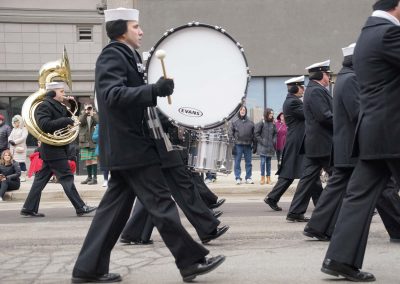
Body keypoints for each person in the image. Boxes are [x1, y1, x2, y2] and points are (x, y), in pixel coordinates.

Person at [72, 8, 225, 283]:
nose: (141, 31)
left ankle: (88, 269)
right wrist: (153, 90)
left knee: (112, 212)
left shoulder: (127, 55)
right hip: (131, 147)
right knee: (161, 204)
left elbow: (129, 96)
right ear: (121, 29)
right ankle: (190, 261)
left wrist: (155, 90)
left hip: (130, 147)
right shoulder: (112, 55)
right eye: (135, 26)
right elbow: (112, 95)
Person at [322, 1, 400, 281]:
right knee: (358, 197)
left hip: (374, 133)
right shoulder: (388, 33)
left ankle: (340, 259)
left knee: (358, 198)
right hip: (392, 132)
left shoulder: (368, 33)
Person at [304, 43, 400, 243]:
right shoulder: (351, 79)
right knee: (385, 187)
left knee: (339, 187)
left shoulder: (346, 78)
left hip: (347, 146)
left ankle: (318, 226)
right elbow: (358, 113)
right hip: (355, 146)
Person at [20, 82, 97, 217]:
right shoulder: (44, 105)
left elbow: (73, 118)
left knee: (40, 180)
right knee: (67, 177)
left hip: (55, 149)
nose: (64, 94)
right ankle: (80, 207)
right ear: (53, 93)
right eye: (61, 91)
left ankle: (28, 208)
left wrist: (74, 104)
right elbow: (45, 125)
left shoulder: (58, 105)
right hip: (53, 150)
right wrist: (65, 121)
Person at [286, 60, 333, 222]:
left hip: (315, 143)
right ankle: (348, 206)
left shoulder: (313, 90)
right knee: (341, 176)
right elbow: (324, 116)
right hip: (322, 143)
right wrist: (342, 123)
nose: (329, 78)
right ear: (321, 75)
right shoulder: (316, 91)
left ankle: (295, 211)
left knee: (308, 179)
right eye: (327, 74)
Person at [264, 76, 306, 211]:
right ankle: (323, 204)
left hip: (297, 141)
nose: (303, 89)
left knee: (294, 172)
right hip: (297, 142)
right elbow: (309, 113)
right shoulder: (293, 102)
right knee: (304, 173)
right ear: (295, 88)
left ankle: (272, 197)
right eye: (301, 87)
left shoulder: (293, 101)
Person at [230, 105, 255, 185]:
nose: (242, 111)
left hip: (248, 145)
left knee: (249, 162)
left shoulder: (250, 122)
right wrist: (233, 142)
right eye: (241, 110)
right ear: (239, 111)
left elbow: (254, 134)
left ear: (246, 111)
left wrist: (254, 144)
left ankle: (248, 177)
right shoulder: (234, 121)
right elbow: (230, 133)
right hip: (238, 145)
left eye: (244, 110)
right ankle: (238, 177)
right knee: (237, 162)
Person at [254, 108, 276, 185]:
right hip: (262, 146)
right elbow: (256, 133)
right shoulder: (262, 122)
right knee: (263, 162)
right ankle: (262, 178)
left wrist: (274, 140)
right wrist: (262, 141)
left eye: (273, 114)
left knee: (269, 163)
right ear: (267, 113)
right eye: (271, 113)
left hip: (270, 146)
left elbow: (275, 134)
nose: (272, 115)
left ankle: (268, 178)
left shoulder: (273, 123)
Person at [79, 104, 98, 185]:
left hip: (93, 141)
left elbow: (98, 122)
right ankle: (89, 177)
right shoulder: (81, 115)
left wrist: (92, 114)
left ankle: (95, 178)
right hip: (85, 141)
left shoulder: (95, 115)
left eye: (90, 107)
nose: (89, 109)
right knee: (87, 160)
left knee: (94, 159)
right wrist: (85, 113)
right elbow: (81, 123)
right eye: (87, 107)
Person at [8, 115, 28, 182]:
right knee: (15, 163)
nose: (16, 123)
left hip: (20, 149)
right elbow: (10, 136)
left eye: (17, 122)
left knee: (21, 162)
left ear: (20, 121)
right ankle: (16, 176)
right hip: (13, 149)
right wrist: (10, 140)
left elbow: (23, 137)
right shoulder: (14, 129)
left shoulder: (24, 129)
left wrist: (15, 142)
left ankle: (23, 176)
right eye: (14, 122)